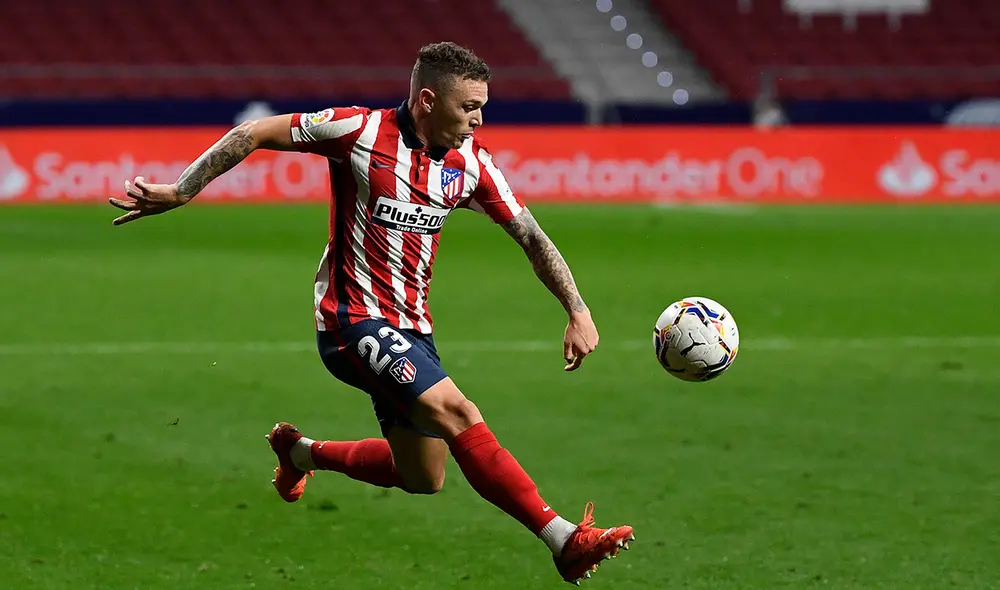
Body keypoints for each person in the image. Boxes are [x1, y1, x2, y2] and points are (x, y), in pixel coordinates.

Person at [108, 41, 634, 585]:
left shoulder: (471, 163)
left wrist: (576, 307)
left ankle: (300, 453)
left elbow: (530, 234)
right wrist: (182, 190)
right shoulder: (357, 132)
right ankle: (564, 538)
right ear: (428, 100)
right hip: (351, 322)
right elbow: (254, 132)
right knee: (459, 413)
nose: (477, 121)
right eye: (468, 107)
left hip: (413, 331)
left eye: (482, 108)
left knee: (424, 476)